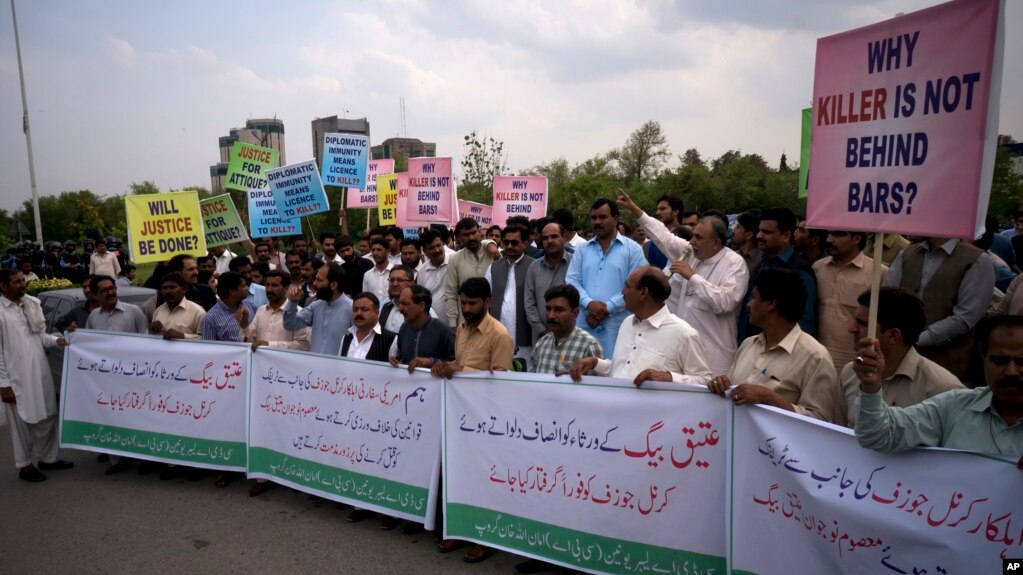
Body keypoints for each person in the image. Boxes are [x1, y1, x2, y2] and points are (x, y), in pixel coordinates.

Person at [854, 314, 1023, 462]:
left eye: (1021, 361)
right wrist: (871, 386)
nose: (1011, 372)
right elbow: (877, 436)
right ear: (984, 361)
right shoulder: (954, 406)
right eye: (999, 361)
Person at [619, 190, 747, 375]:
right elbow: (663, 236)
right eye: (693, 236)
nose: (692, 241)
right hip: (681, 349)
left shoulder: (735, 264)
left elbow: (725, 302)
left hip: (715, 355)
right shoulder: (691, 253)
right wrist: (635, 210)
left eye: (699, 238)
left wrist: (692, 277)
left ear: (716, 242)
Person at [432, 276, 514, 564]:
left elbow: (499, 382)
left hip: (488, 420)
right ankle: (460, 529)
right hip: (461, 416)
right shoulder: (462, 329)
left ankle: (486, 538)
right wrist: (445, 368)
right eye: (463, 302)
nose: (466, 308)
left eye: (472, 303)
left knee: (485, 479)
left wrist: (459, 370)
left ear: (487, 302)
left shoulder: (500, 335)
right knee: (461, 474)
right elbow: (460, 367)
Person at [709, 269, 842, 423]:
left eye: (754, 298)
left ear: (771, 304)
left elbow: (821, 421)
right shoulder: (748, 344)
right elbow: (732, 392)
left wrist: (768, 398)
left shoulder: (815, 356)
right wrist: (720, 386)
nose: (749, 305)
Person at [567, 266, 711, 387]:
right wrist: (595, 363)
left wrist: (669, 378)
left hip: (656, 420)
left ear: (643, 292)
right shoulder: (627, 323)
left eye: (627, 286)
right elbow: (623, 370)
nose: (622, 292)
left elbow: (704, 380)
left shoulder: (683, 333)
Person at [841, 287, 964, 427]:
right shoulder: (850, 373)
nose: (852, 329)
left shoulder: (943, 389)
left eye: (862, 323)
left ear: (893, 335)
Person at [883, 236, 995, 382]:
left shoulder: (977, 260)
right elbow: (887, 299)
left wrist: (917, 340)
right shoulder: (907, 253)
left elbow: (965, 317)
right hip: (899, 358)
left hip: (946, 363)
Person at [0, 269, 73, 482]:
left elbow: (40, 336)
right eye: (17, 282)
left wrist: (57, 339)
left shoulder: (32, 303)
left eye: (23, 280)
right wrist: (4, 384)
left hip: (40, 370)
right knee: (21, 421)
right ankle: (25, 465)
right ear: (3, 286)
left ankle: (48, 459)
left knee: (48, 414)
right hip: (15, 378)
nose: (23, 285)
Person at [565, 198, 647, 359]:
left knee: (615, 373)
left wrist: (606, 308)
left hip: (618, 327)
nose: (597, 222)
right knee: (580, 374)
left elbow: (636, 287)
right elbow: (572, 281)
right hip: (584, 323)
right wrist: (589, 304)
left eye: (603, 217)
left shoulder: (633, 250)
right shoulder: (582, 249)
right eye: (594, 218)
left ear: (616, 219)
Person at [738, 207, 817, 341]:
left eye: (766, 232)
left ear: (786, 236)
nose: (759, 236)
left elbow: (804, 323)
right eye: (759, 231)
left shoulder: (799, 270)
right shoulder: (763, 264)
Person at [813, 230, 887, 371]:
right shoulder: (818, 268)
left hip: (855, 362)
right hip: (817, 358)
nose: (829, 239)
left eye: (838, 234)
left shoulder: (879, 273)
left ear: (857, 238)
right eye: (829, 234)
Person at [484, 223, 536, 359]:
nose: (510, 246)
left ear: (525, 244)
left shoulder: (534, 266)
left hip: (525, 337)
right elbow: (485, 300)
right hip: (497, 334)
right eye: (506, 242)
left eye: (514, 242)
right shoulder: (493, 267)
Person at [529, 284, 604, 374]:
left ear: (575, 313)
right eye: (548, 309)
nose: (551, 316)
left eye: (559, 310)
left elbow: (598, 386)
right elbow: (531, 382)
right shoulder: (541, 344)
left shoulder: (589, 346)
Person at [284, 262, 353, 356]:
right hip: (315, 367)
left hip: (339, 368)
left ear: (333, 285)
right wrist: (292, 302)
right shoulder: (316, 305)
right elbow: (290, 325)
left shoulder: (352, 309)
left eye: (319, 280)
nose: (314, 283)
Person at [523, 222, 572, 345]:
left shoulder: (575, 263)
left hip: (570, 336)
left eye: (554, 236)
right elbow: (529, 303)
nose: (549, 241)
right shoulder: (534, 267)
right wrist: (542, 331)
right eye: (545, 238)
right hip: (540, 337)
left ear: (564, 237)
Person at [389, 285, 456, 369]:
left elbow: (457, 364)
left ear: (421, 306)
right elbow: (401, 358)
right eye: (400, 303)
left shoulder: (443, 331)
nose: (400, 308)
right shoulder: (404, 329)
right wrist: (395, 361)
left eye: (405, 304)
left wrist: (431, 362)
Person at [248, 270, 311, 352]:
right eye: (267, 285)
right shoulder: (261, 310)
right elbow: (251, 341)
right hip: (260, 363)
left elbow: (304, 345)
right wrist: (244, 326)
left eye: (274, 285)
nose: (269, 289)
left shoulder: (299, 313)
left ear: (286, 288)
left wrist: (269, 345)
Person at [445, 218, 491, 328]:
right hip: (466, 322)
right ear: (459, 238)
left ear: (479, 232)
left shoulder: (493, 255)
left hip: (492, 321)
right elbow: (451, 293)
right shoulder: (455, 259)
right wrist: (453, 323)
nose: (471, 237)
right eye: (466, 235)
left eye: (474, 233)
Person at [200, 271, 253, 344]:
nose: (247, 288)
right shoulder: (211, 319)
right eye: (243, 286)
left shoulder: (250, 306)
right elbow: (209, 349)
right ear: (232, 291)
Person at [150, 272, 206, 340]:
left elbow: (205, 339)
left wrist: (183, 336)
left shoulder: (198, 312)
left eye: (172, 287)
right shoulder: (158, 311)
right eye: (164, 288)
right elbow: (151, 338)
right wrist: (151, 331)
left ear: (184, 289)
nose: (168, 291)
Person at [416, 229, 451, 322]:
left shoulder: (455, 261)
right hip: (431, 325)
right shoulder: (422, 272)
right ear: (425, 251)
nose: (437, 250)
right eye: (432, 248)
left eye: (439, 245)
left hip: (455, 325)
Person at [645, 195, 684, 268]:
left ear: (675, 211)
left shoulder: (688, 238)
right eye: (657, 209)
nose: (657, 213)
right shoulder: (654, 240)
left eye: (662, 209)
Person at [363, 237, 394, 302]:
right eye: (373, 250)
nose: (375, 253)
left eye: (379, 250)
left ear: (388, 251)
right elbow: (365, 298)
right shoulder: (367, 275)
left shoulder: (395, 272)